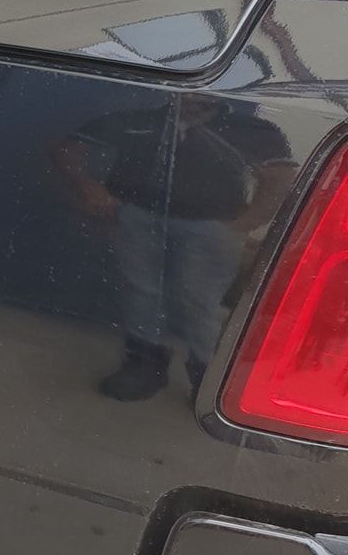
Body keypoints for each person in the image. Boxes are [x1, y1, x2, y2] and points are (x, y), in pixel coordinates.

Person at [53, 97, 294, 401]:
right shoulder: (136, 118)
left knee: (200, 300)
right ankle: (143, 365)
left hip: (211, 226)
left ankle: (208, 381)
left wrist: (245, 224)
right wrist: (89, 187)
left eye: (206, 89)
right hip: (137, 217)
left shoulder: (252, 129)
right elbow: (66, 150)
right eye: (189, 88)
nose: (196, 95)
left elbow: (281, 178)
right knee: (140, 289)